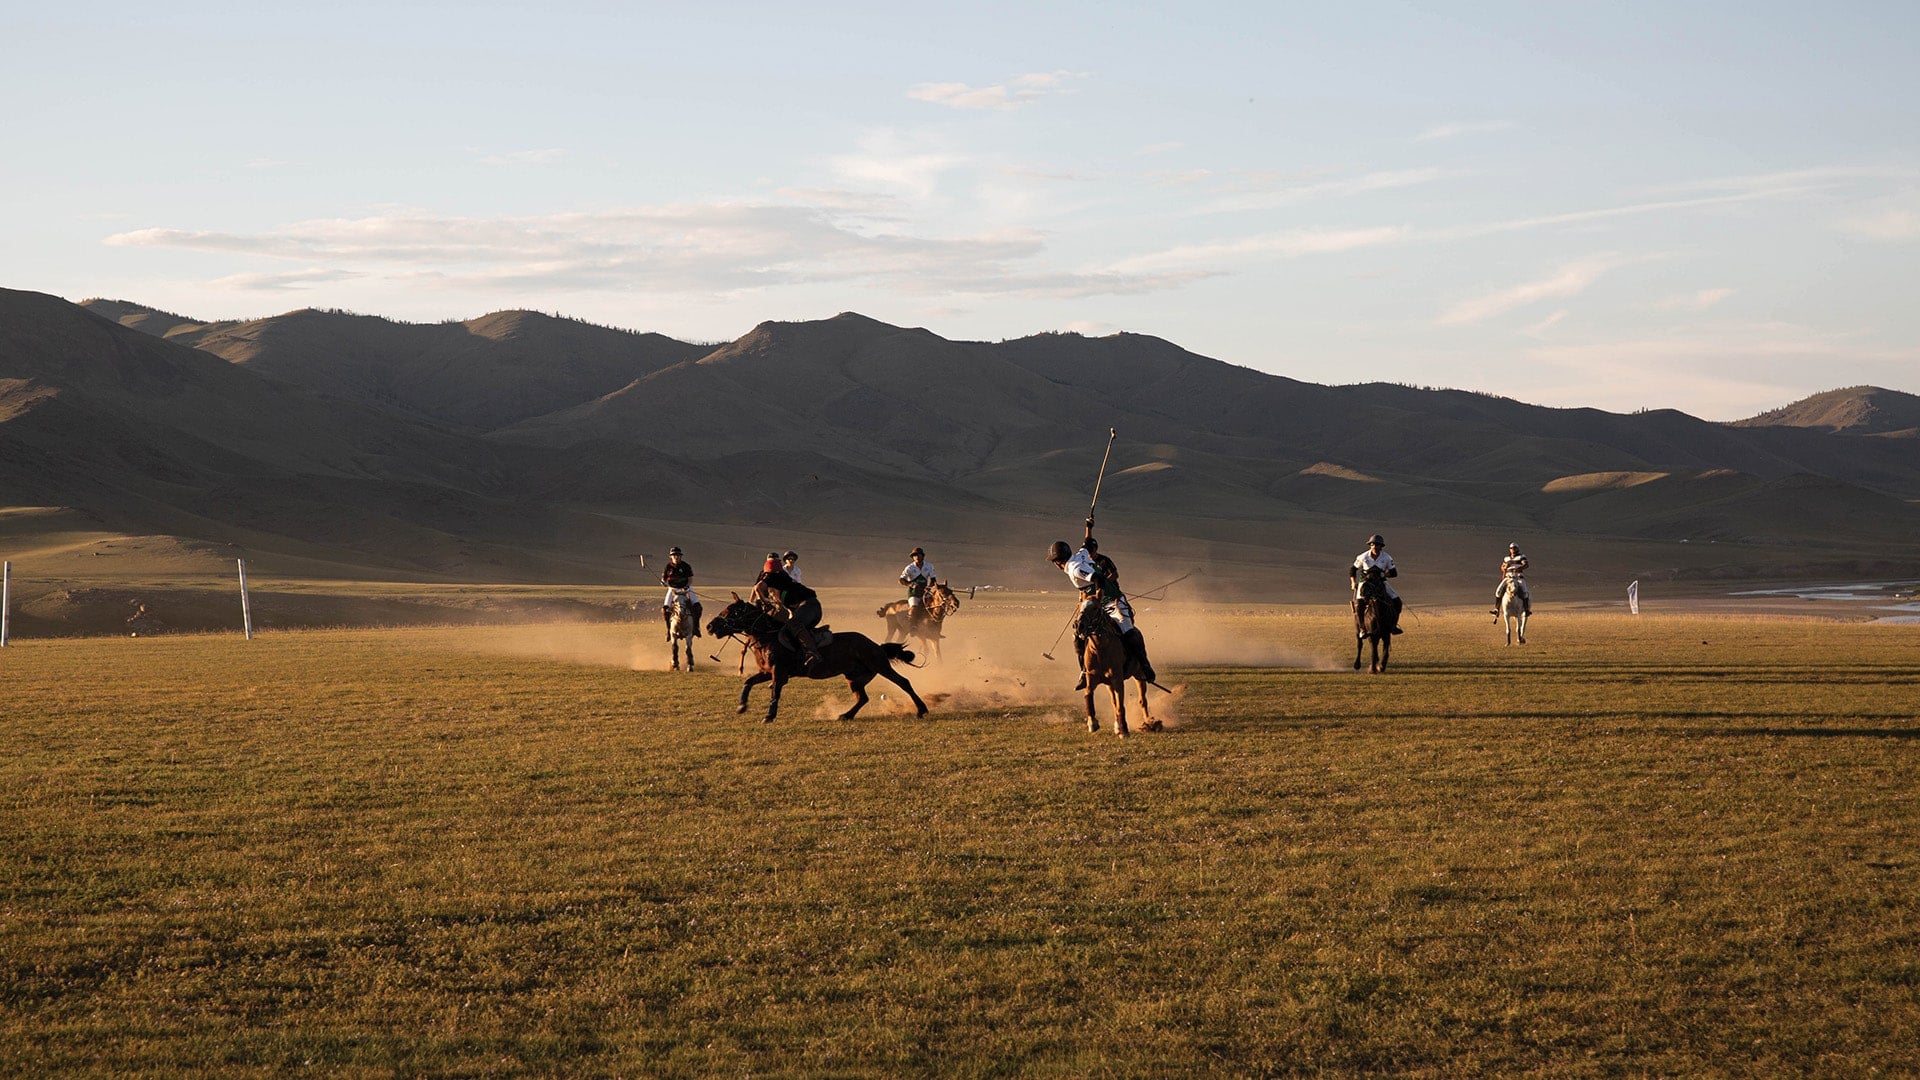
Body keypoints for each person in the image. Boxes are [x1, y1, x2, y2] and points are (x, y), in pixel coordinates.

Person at [1048, 517, 1155, 689]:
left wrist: (1098, 597)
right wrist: (1088, 526)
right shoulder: (1080, 555)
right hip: (1095, 605)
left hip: (1113, 602)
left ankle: (1145, 666)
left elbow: (1097, 578)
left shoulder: (1075, 569)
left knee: (1128, 631)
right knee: (1078, 632)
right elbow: (1088, 543)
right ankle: (1085, 671)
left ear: (1057, 562)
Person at [753, 561, 824, 670]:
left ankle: (813, 653)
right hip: (812, 607)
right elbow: (791, 610)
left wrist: (764, 601)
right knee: (789, 627)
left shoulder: (773, 577)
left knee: (795, 624)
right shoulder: (784, 580)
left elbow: (757, 588)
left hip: (809, 606)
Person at [1349, 533, 1403, 634]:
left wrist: (1385, 574)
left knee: (1397, 602)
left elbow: (1394, 573)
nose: (1375, 547)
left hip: (1380, 582)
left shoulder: (1387, 557)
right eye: (1372, 544)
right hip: (1365, 582)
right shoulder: (1363, 557)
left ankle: (1393, 626)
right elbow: (1353, 570)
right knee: (1359, 604)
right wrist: (1353, 582)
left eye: (1377, 545)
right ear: (1370, 545)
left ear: (1381, 546)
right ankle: (1362, 628)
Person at [660, 546, 701, 636]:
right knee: (665, 609)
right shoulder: (668, 567)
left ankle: (696, 628)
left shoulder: (686, 566)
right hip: (672, 589)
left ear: (680, 556)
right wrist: (663, 582)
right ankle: (668, 630)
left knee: (698, 607)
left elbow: (690, 579)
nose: (676, 557)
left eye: (678, 555)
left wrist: (687, 586)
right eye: (674, 555)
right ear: (671, 556)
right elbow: (664, 579)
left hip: (685, 589)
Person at [1492, 542, 1531, 618]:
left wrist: (1518, 568)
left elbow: (1526, 565)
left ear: (1517, 548)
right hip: (1508, 578)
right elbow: (1502, 567)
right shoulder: (1506, 558)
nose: (1513, 550)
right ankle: (1496, 609)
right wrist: (1504, 567)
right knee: (1498, 591)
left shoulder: (1521, 557)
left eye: (1514, 548)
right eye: (1511, 548)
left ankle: (1526, 610)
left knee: (1525, 592)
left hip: (1518, 577)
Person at [900, 547, 937, 626]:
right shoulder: (909, 568)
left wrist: (929, 587)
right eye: (914, 556)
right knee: (914, 608)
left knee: (934, 606)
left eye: (918, 555)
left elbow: (933, 580)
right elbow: (901, 580)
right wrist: (910, 584)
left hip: (925, 592)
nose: (917, 557)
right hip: (914, 593)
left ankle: (935, 628)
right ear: (913, 557)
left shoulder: (929, 566)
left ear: (922, 556)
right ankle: (913, 626)